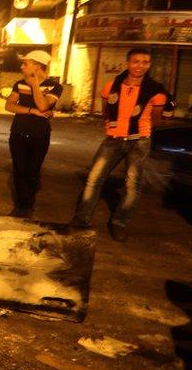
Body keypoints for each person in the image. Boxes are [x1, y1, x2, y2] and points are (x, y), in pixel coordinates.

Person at [71, 47, 170, 241]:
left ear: (149, 65)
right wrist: (115, 127)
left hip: (139, 140)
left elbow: (156, 121)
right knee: (94, 179)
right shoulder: (111, 86)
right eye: (135, 61)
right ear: (127, 63)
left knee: (132, 185)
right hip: (113, 138)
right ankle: (82, 220)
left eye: (144, 62)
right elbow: (106, 111)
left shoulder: (156, 91)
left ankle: (119, 222)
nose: (139, 66)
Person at [4, 50, 63, 218]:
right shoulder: (19, 84)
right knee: (19, 170)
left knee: (32, 172)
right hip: (18, 132)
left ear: (37, 66)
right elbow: (9, 106)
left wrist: (35, 86)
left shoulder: (55, 86)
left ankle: (27, 202)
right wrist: (32, 111)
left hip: (39, 135)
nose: (22, 66)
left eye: (26, 63)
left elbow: (44, 106)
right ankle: (24, 206)